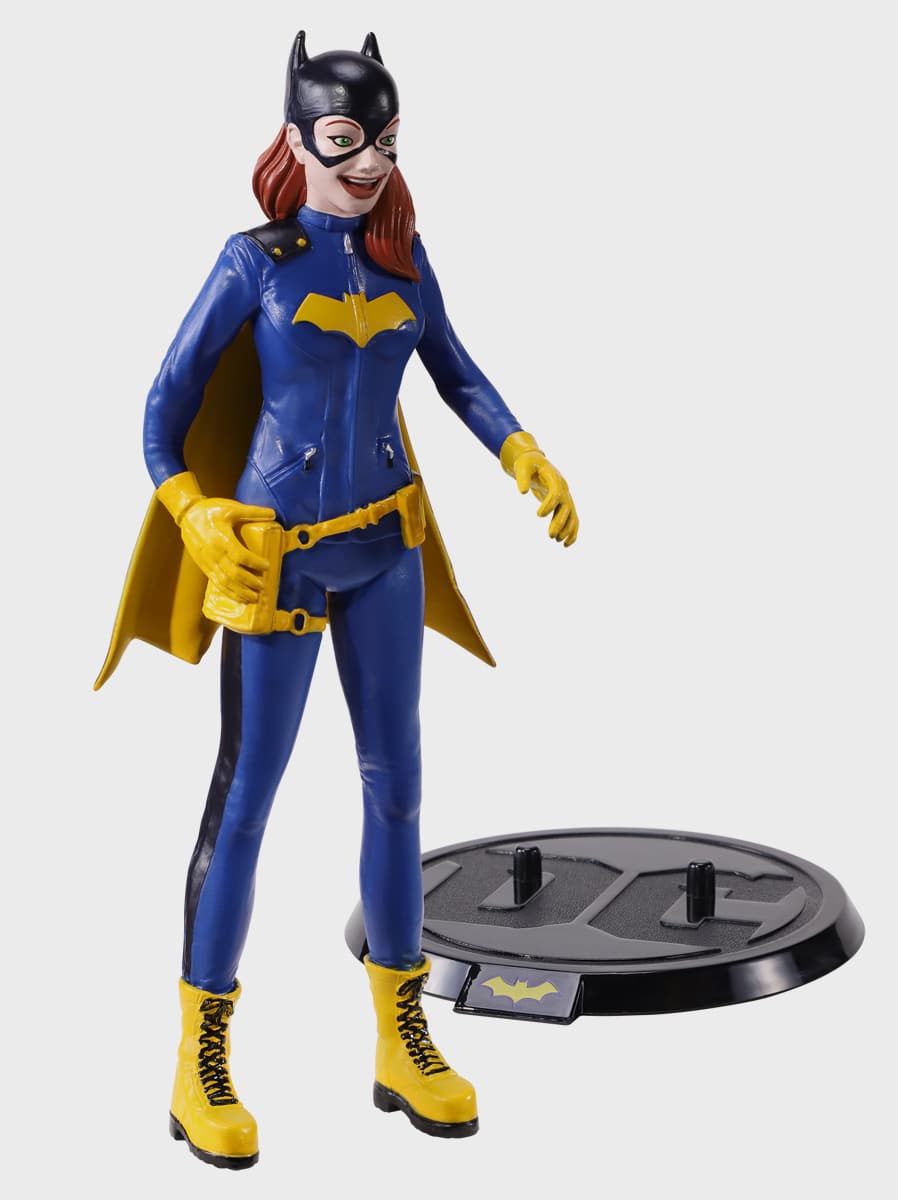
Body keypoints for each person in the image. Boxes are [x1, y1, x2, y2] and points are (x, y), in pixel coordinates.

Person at [96, 31, 577, 1166]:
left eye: (386, 141)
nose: (368, 163)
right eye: (347, 139)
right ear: (300, 139)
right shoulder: (254, 260)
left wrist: (520, 448)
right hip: (277, 559)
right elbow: (161, 412)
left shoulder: (403, 258)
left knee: (398, 790)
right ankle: (200, 1058)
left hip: (385, 550)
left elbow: (455, 371)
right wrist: (193, 513)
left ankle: (402, 1036)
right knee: (246, 799)